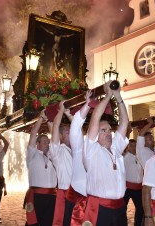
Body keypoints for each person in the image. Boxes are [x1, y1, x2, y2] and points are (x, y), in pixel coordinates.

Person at [82, 81, 129, 225]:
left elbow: (124, 122)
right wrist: (108, 95)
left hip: (120, 208)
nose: (108, 133)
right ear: (96, 133)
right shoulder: (92, 149)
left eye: (109, 130)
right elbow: (96, 116)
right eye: (103, 130)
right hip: (100, 209)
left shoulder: (116, 148)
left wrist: (118, 96)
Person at [63, 90, 92, 225]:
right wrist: (87, 104)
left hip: (93, 201)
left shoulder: (102, 149)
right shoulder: (80, 146)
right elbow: (76, 128)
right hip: (75, 198)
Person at [25, 110, 57, 226]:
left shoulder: (53, 155)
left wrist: (48, 120)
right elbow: (33, 133)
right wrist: (41, 118)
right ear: (37, 144)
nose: (47, 144)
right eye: (44, 142)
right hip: (36, 197)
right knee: (33, 223)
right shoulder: (32, 155)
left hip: (52, 197)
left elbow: (55, 136)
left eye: (48, 142)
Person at [50, 101, 73, 226]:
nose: (70, 134)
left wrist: (69, 115)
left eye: (70, 131)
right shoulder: (57, 152)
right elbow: (55, 126)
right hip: (64, 193)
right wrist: (61, 110)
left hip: (79, 193)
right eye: (66, 132)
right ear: (60, 136)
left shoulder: (78, 149)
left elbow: (78, 130)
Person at [123, 138, 144, 226]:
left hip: (138, 188)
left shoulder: (140, 157)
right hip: (127, 188)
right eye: (131, 146)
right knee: (123, 209)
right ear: (127, 147)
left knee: (140, 209)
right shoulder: (124, 157)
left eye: (135, 145)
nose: (133, 147)